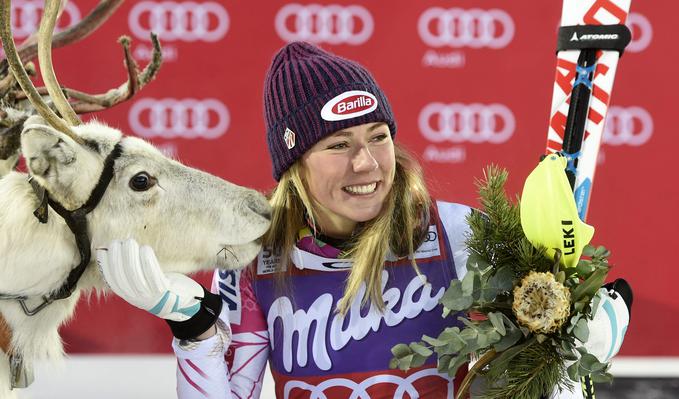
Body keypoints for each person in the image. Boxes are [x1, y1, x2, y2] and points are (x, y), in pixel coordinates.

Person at [96, 42, 630, 399]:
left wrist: (581, 338)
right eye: (339, 145)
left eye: (379, 136)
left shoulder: (460, 236)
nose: (368, 164)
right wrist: (195, 330)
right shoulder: (258, 260)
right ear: (294, 165)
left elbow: (531, 371)